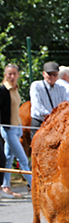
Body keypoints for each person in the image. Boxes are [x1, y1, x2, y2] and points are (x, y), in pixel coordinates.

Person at [0, 64, 32, 197]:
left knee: (8, 159)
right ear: (5, 75)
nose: (12, 76)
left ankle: (5, 186)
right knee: (23, 160)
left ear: (18, 75)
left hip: (17, 127)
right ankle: (35, 187)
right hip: (8, 129)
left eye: (14, 74)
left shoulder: (15, 89)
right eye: (9, 74)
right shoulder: (3, 90)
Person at [29, 61, 69, 136]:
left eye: (55, 74)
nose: (52, 77)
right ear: (44, 74)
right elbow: (38, 106)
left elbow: (64, 105)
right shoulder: (36, 85)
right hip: (40, 122)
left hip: (55, 123)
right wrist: (51, 115)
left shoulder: (62, 89)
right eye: (49, 74)